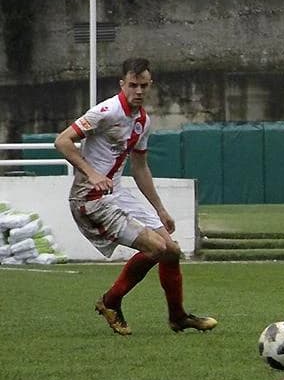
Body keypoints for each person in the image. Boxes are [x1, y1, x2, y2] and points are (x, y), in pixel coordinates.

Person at [54, 58, 217, 336]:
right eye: (133, 85)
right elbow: (62, 141)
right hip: (90, 198)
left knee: (171, 250)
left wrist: (160, 209)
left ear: (150, 85)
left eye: (143, 85)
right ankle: (110, 301)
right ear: (122, 84)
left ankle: (178, 317)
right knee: (156, 248)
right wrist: (92, 173)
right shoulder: (105, 112)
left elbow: (140, 168)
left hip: (117, 193)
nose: (138, 91)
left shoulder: (142, 121)